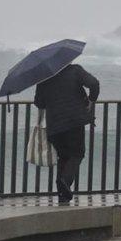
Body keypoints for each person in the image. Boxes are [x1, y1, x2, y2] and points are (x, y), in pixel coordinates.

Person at [34, 63, 100, 203]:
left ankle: (63, 195)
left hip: (54, 125)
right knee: (77, 154)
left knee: (63, 157)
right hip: (74, 122)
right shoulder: (75, 70)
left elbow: (39, 103)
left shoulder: (44, 78)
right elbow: (94, 83)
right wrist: (91, 100)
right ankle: (65, 181)